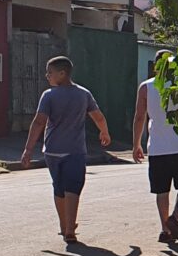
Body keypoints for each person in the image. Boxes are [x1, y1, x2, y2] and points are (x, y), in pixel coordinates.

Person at [20, 56, 111, 245]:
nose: (47, 76)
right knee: (73, 189)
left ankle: (64, 225)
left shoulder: (49, 96)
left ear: (62, 73)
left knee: (59, 188)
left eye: (50, 72)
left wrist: (28, 149)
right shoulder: (84, 94)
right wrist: (105, 132)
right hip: (75, 151)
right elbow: (98, 116)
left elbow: (38, 122)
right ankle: (70, 229)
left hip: (52, 151)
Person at [131, 52, 178, 244]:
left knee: (161, 191)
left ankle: (165, 229)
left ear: (156, 66)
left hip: (157, 148)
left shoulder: (146, 87)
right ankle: (174, 217)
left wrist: (136, 143)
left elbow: (140, 117)